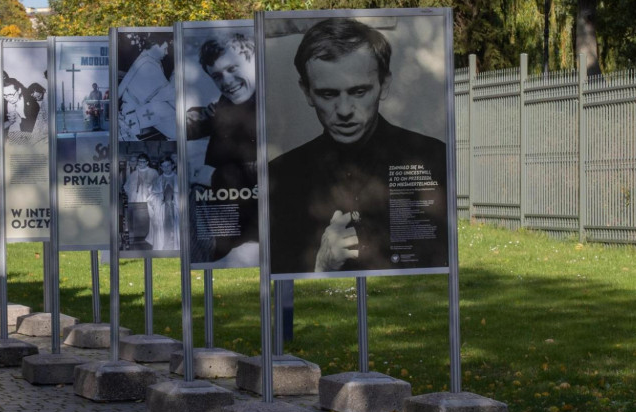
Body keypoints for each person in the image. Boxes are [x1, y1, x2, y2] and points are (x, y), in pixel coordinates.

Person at [268, 18, 447, 274]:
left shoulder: (433, 157)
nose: (343, 111)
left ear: (384, 85)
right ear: (307, 92)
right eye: (328, 94)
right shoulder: (281, 176)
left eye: (359, 92)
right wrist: (322, 266)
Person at [186, 33, 258, 265]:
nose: (226, 81)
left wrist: (215, 176)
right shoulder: (230, 100)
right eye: (217, 75)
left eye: (232, 68)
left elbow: (275, 166)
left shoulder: (270, 105)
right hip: (223, 212)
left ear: (255, 60)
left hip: (251, 225)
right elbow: (214, 120)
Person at [118, 36, 176, 140]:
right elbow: (164, 93)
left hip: (137, 109)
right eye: (164, 49)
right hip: (133, 114)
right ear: (155, 46)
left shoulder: (147, 59)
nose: (166, 53)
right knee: (179, 130)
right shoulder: (147, 64)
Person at [148, 156, 180, 250]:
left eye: (168, 165)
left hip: (176, 209)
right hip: (162, 210)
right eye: (163, 166)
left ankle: (177, 249)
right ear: (161, 168)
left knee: (176, 230)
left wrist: (175, 196)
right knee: (163, 231)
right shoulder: (157, 181)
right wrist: (161, 196)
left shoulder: (179, 179)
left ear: (173, 165)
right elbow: (151, 197)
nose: (166, 168)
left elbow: (186, 194)